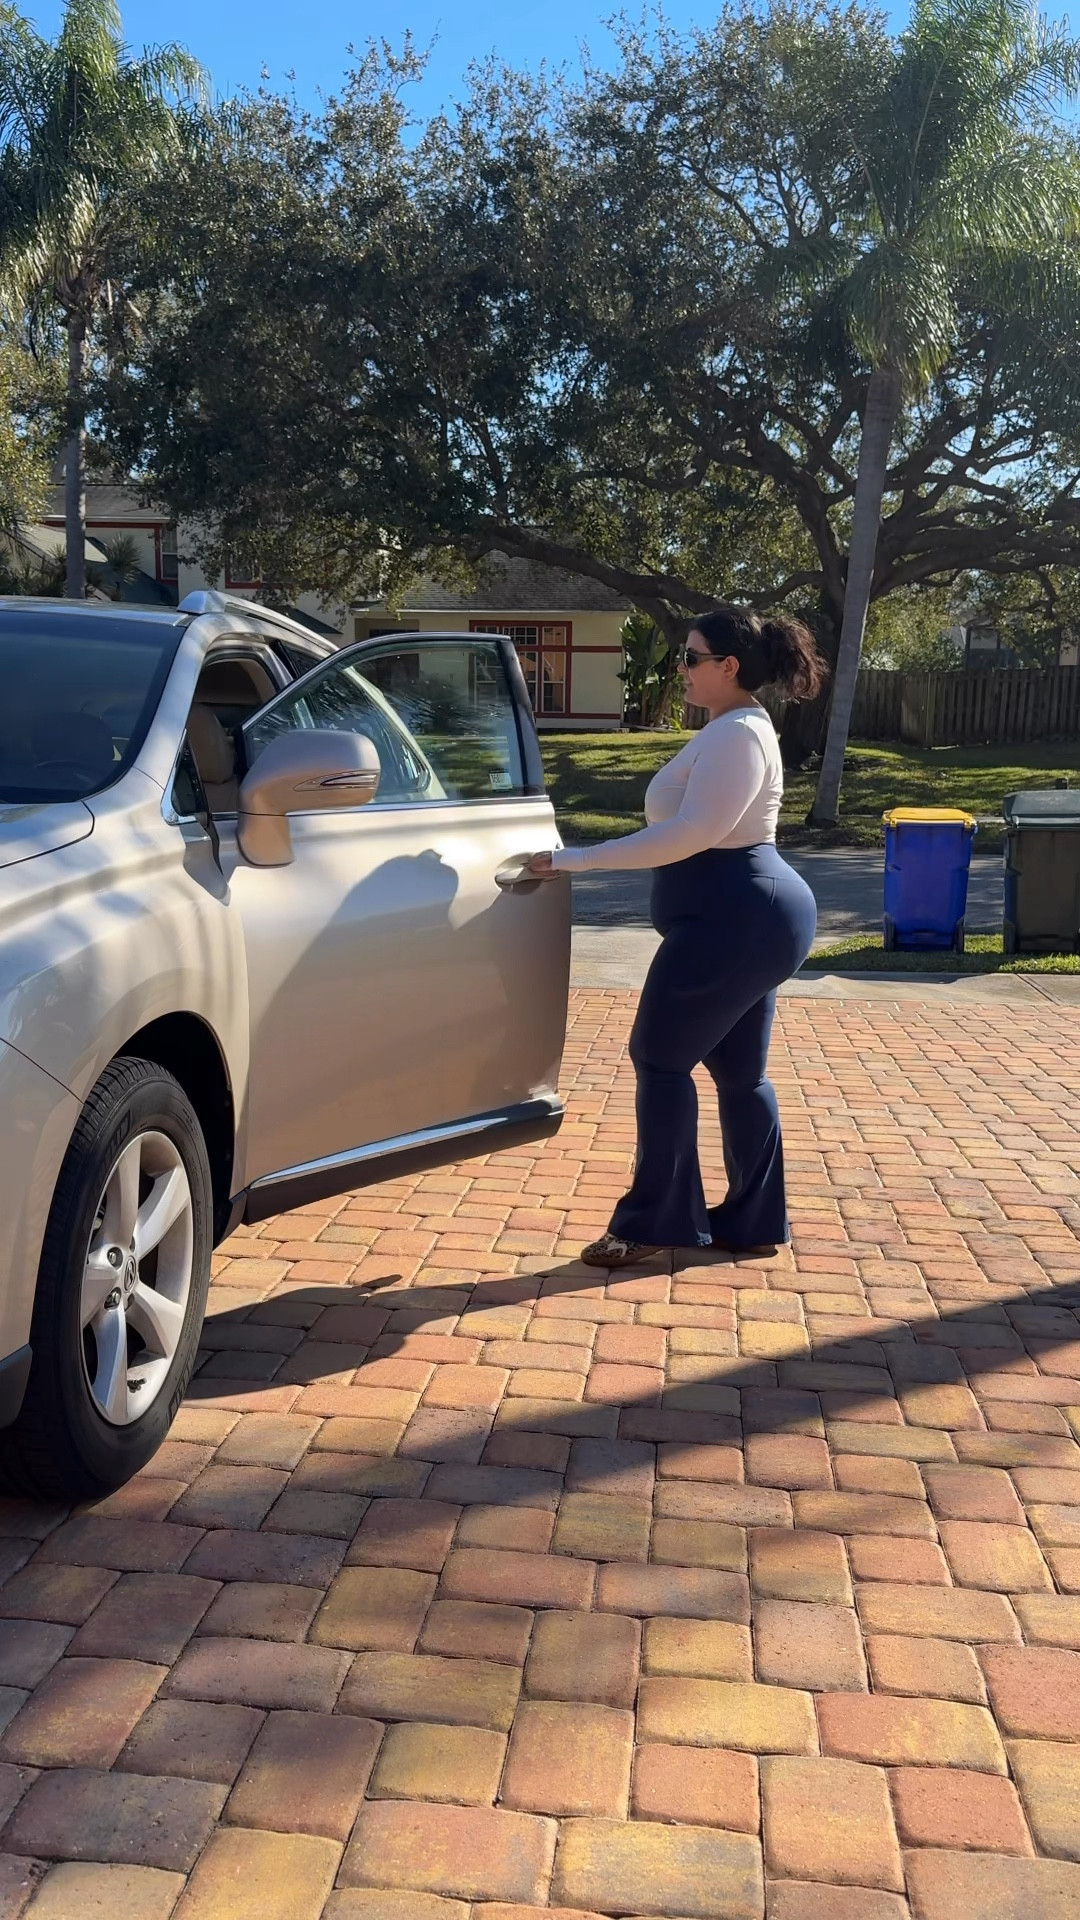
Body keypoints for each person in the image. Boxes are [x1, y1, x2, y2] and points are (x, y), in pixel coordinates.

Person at [526, 606, 827, 1268]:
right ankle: (751, 1221)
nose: (680, 670)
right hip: (741, 919)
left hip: (738, 921)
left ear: (729, 667)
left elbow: (694, 833)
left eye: (691, 659)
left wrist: (577, 858)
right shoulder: (730, 729)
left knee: (660, 1058)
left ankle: (655, 1222)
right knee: (738, 1073)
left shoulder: (740, 735)